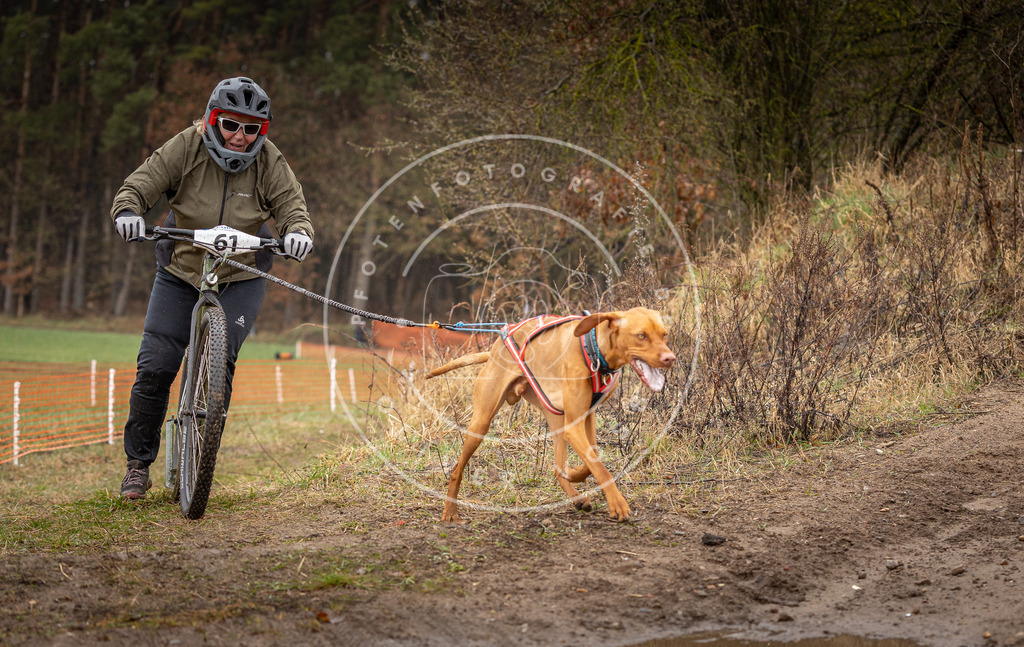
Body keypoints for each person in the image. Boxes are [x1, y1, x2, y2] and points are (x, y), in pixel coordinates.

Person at [111, 76, 314, 499]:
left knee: (219, 367)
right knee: (156, 366)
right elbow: (139, 184)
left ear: (262, 131)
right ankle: (138, 465)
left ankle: (201, 453)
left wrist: (297, 231)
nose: (239, 136)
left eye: (251, 128)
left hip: (240, 275)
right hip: (181, 271)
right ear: (212, 120)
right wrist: (129, 210)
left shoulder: (269, 162)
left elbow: (293, 206)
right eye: (230, 125)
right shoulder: (186, 146)